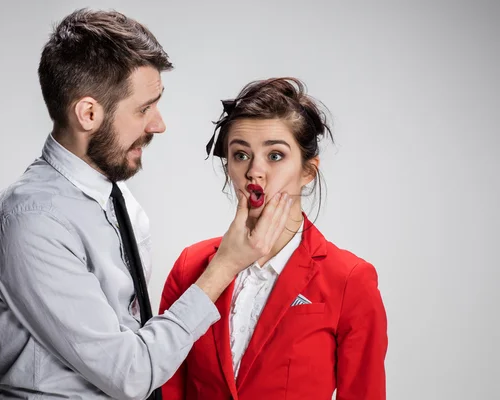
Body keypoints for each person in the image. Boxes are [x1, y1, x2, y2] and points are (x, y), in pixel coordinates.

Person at [0, 9, 293, 400]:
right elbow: (131, 373)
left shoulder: (121, 204)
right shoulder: (31, 223)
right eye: (143, 108)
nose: (158, 124)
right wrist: (225, 265)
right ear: (88, 113)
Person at [159, 77, 388, 399]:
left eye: (275, 156)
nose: (255, 171)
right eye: (240, 155)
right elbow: (168, 386)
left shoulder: (349, 279)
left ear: (308, 171)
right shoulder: (190, 266)